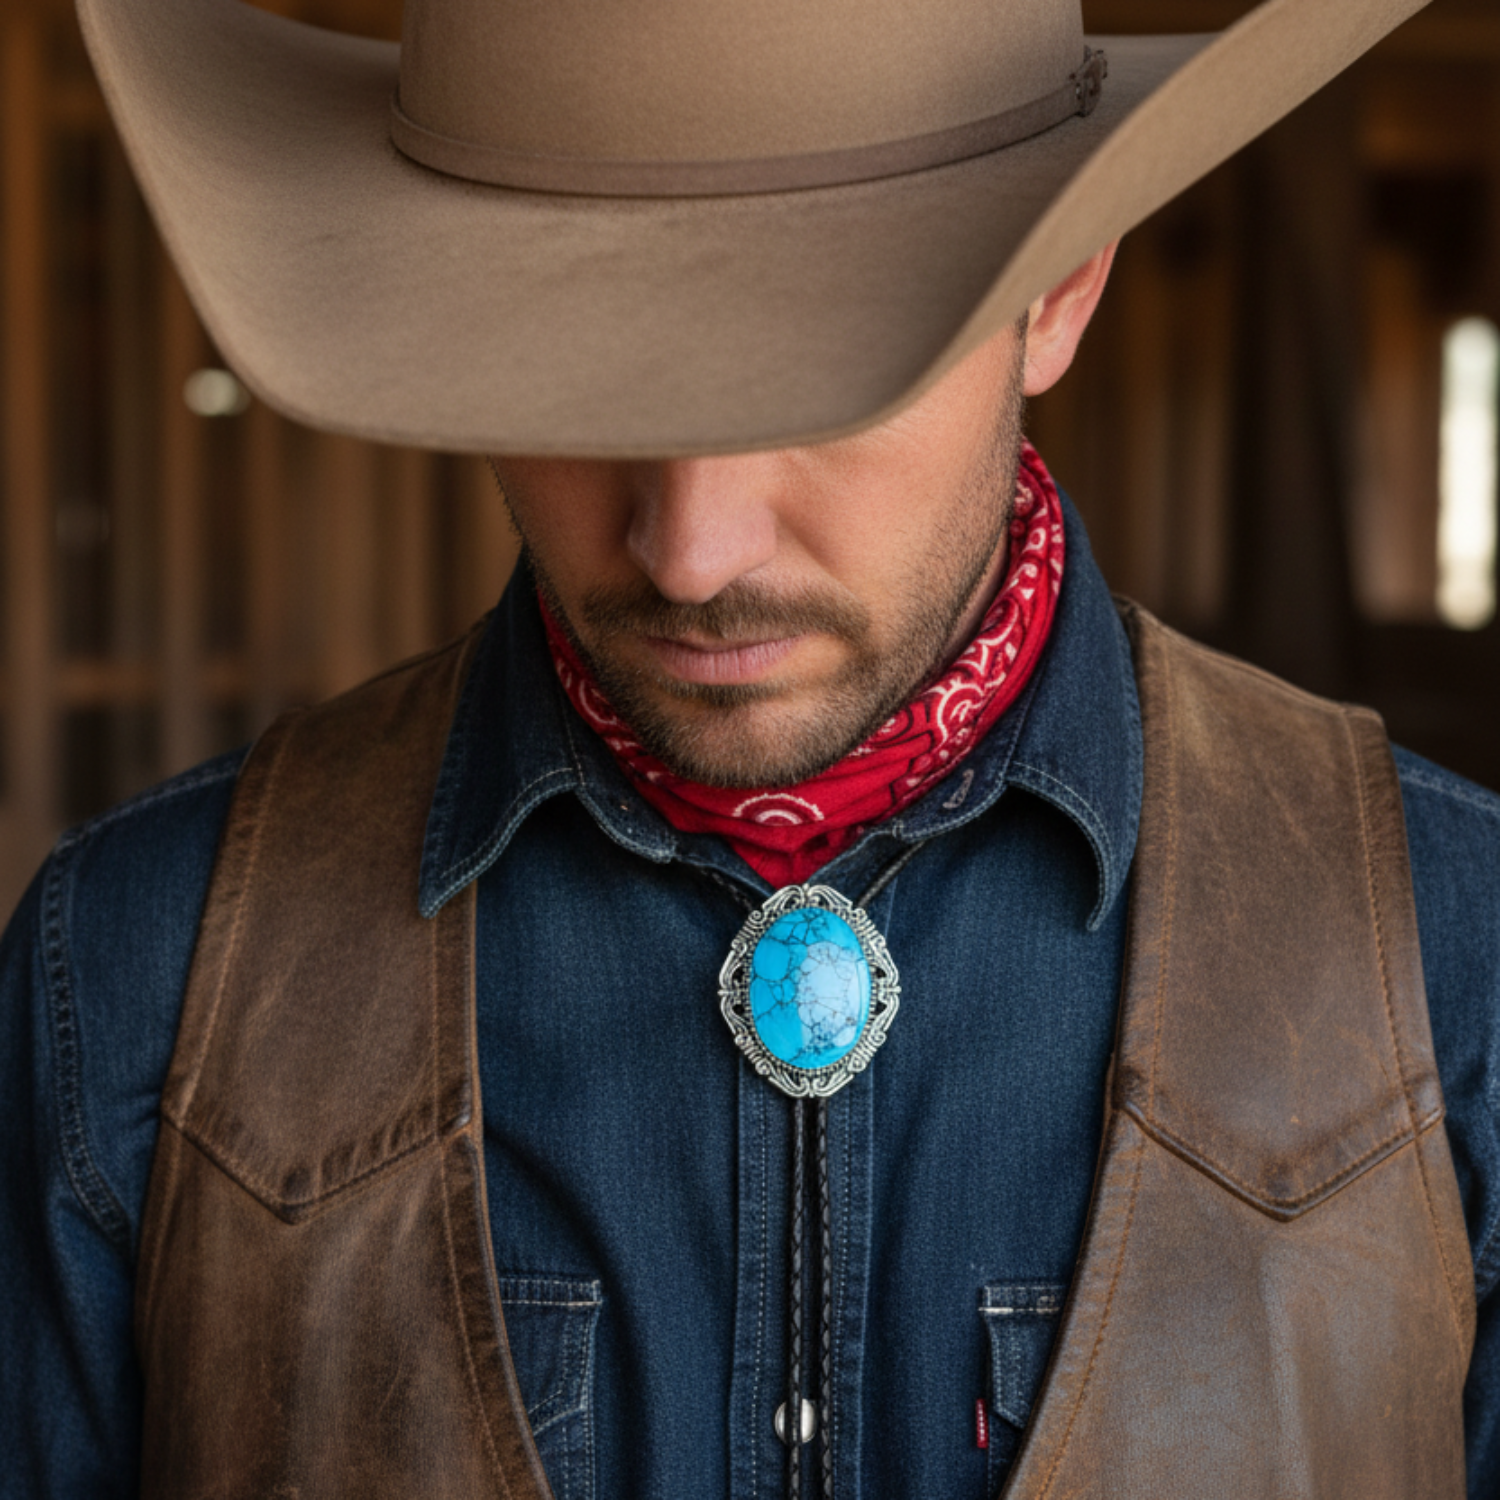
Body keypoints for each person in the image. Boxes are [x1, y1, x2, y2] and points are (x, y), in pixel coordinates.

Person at [4, 0, 1500, 1495]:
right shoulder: (133, 981)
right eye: (573, 369)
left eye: (825, 376)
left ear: (1057, 292)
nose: (690, 552)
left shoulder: (1460, 956)